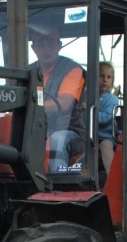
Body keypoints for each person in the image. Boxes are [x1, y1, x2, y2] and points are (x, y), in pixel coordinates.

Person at [30, 28, 86, 172]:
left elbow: (64, 103)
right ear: (33, 48)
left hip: (69, 131)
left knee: (57, 139)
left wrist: (30, 105)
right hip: (36, 130)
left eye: (51, 43)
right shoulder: (27, 72)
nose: (46, 49)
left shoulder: (72, 69)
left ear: (59, 45)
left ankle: (56, 181)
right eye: (41, 44)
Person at [98, 61, 120, 172]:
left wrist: (89, 112)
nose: (105, 80)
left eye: (108, 77)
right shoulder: (85, 96)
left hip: (106, 136)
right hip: (87, 136)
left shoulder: (113, 100)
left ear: (112, 81)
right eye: (101, 76)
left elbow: (106, 117)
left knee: (106, 147)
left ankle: (111, 176)